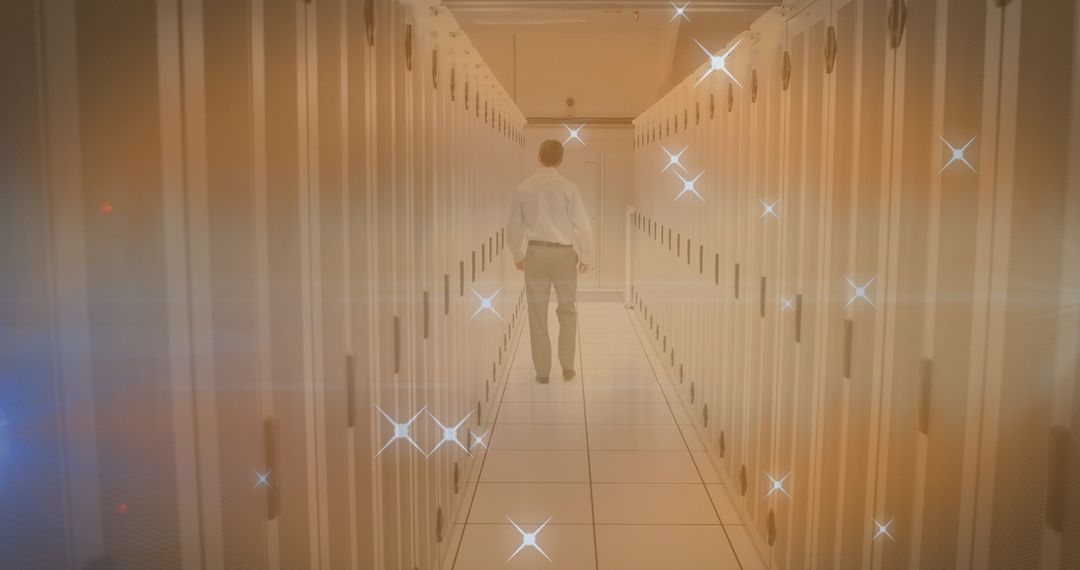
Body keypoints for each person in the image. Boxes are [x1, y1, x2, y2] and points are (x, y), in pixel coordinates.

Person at [507, 139, 594, 384]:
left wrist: (518, 254)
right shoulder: (569, 188)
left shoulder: (523, 188)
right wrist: (586, 255)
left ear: (539, 156)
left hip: (535, 254)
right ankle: (567, 367)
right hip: (564, 255)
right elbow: (582, 225)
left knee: (537, 314)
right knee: (567, 311)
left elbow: (513, 225)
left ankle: (543, 372)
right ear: (561, 159)